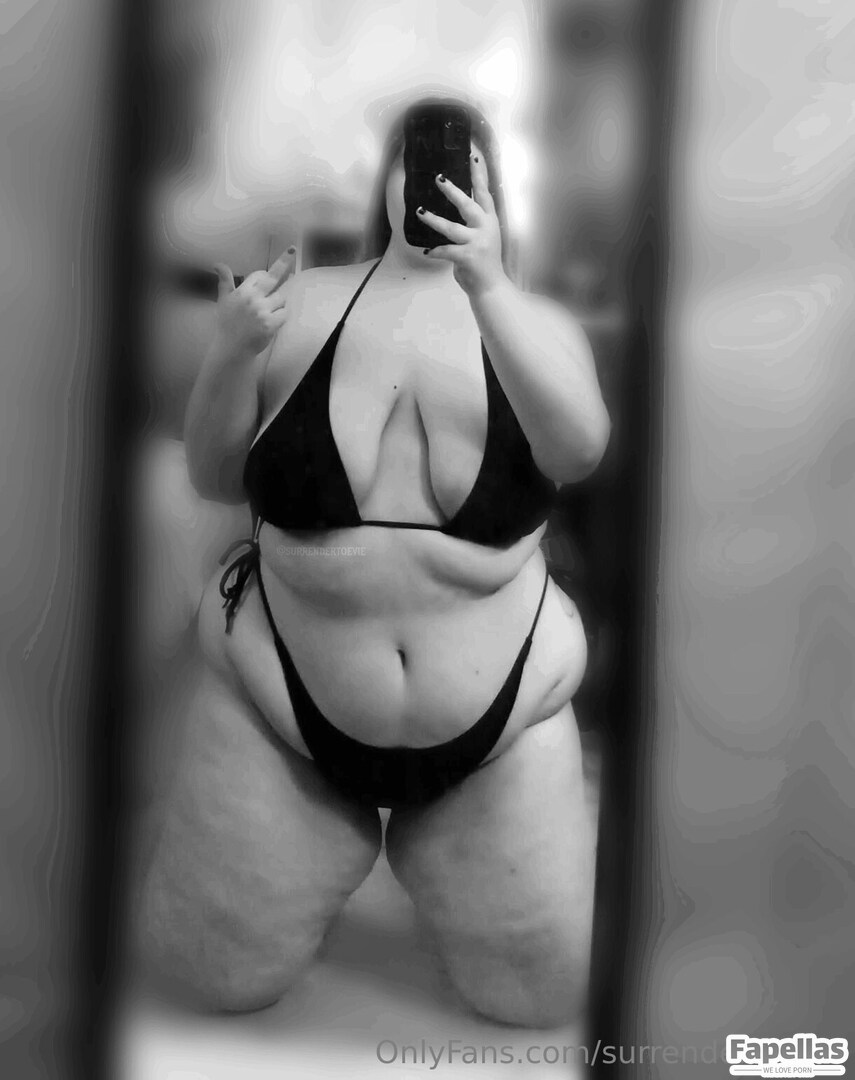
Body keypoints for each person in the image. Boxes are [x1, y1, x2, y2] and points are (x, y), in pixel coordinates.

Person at [137, 95, 610, 1028]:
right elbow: (213, 474)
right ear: (387, 178)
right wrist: (232, 351)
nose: (432, 182)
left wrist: (488, 288)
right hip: (280, 696)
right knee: (205, 983)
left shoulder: (533, 324)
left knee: (539, 999)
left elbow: (577, 449)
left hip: (503, 709)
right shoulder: (305, 302)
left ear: (491, 188)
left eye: (460, 164)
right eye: (415, 159)